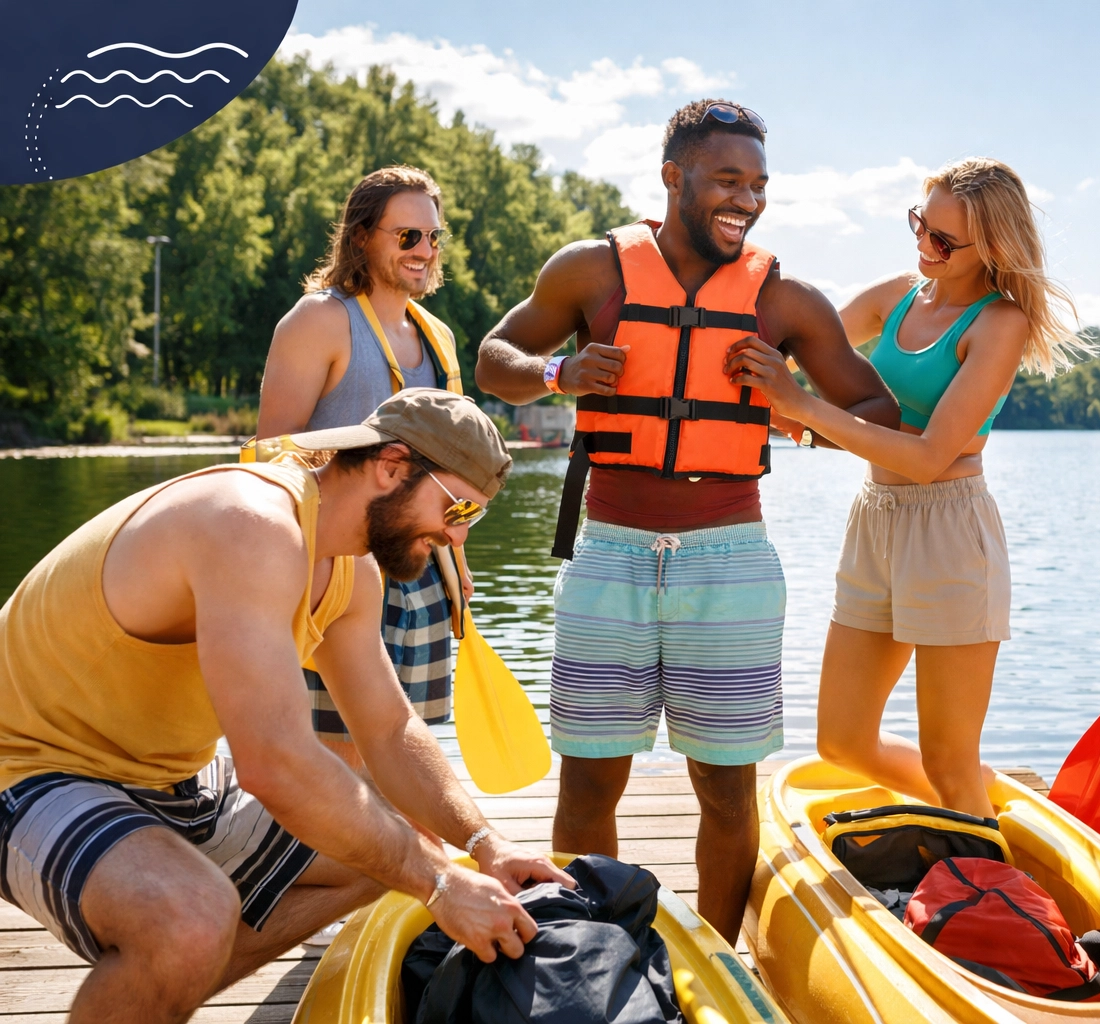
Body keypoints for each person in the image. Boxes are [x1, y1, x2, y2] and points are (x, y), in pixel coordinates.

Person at [0, 389, 572, 1024]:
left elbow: (387, 729)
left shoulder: (350, 568)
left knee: (404, 846)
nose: (456, 533)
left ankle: (154, 990)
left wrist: (481, 844)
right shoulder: (252, 524)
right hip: (27, 767)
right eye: (457, 505)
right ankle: (164, 968)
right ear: (391, 464)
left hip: (162, 775)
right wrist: (439, 884)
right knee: (193, 919)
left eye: (475, 517)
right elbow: (273, 762)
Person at [475, 98, 899, 942]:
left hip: (729, 559)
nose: (748, 199)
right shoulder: (590, 271)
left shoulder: (786, 300)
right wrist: (559, 372)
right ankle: (594, 954)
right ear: (675, 177)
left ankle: (721, 961)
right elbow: (494, 358)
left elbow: (876, 412)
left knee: (727, 789)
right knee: (589, 786)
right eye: (728, 179)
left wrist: (790, 400)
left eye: (760, 184)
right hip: (609, 555)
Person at [726, 158, 1078, 818]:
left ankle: (984, 856)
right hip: (875, 519)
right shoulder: (899, 295)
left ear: (995, 247)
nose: (924, 246)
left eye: (943, 240)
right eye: (921, 224)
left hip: (950, 530)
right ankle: (986, 813)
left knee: (949, 754)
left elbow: (928, 457)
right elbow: (799, 338)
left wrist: (800, 411)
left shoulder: (999, 324)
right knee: (841, 739)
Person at [256, 165, 469, 777]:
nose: (425, 251)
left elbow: (449, 467)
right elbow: (272, 458)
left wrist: (459, 557)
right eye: (408, 237)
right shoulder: (318, 321)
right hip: (334, 575)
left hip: (422, 573)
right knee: (339, 769)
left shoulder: (440, 337)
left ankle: (414, 867)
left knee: (414, 754)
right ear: (361, 238)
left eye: (433, 237)